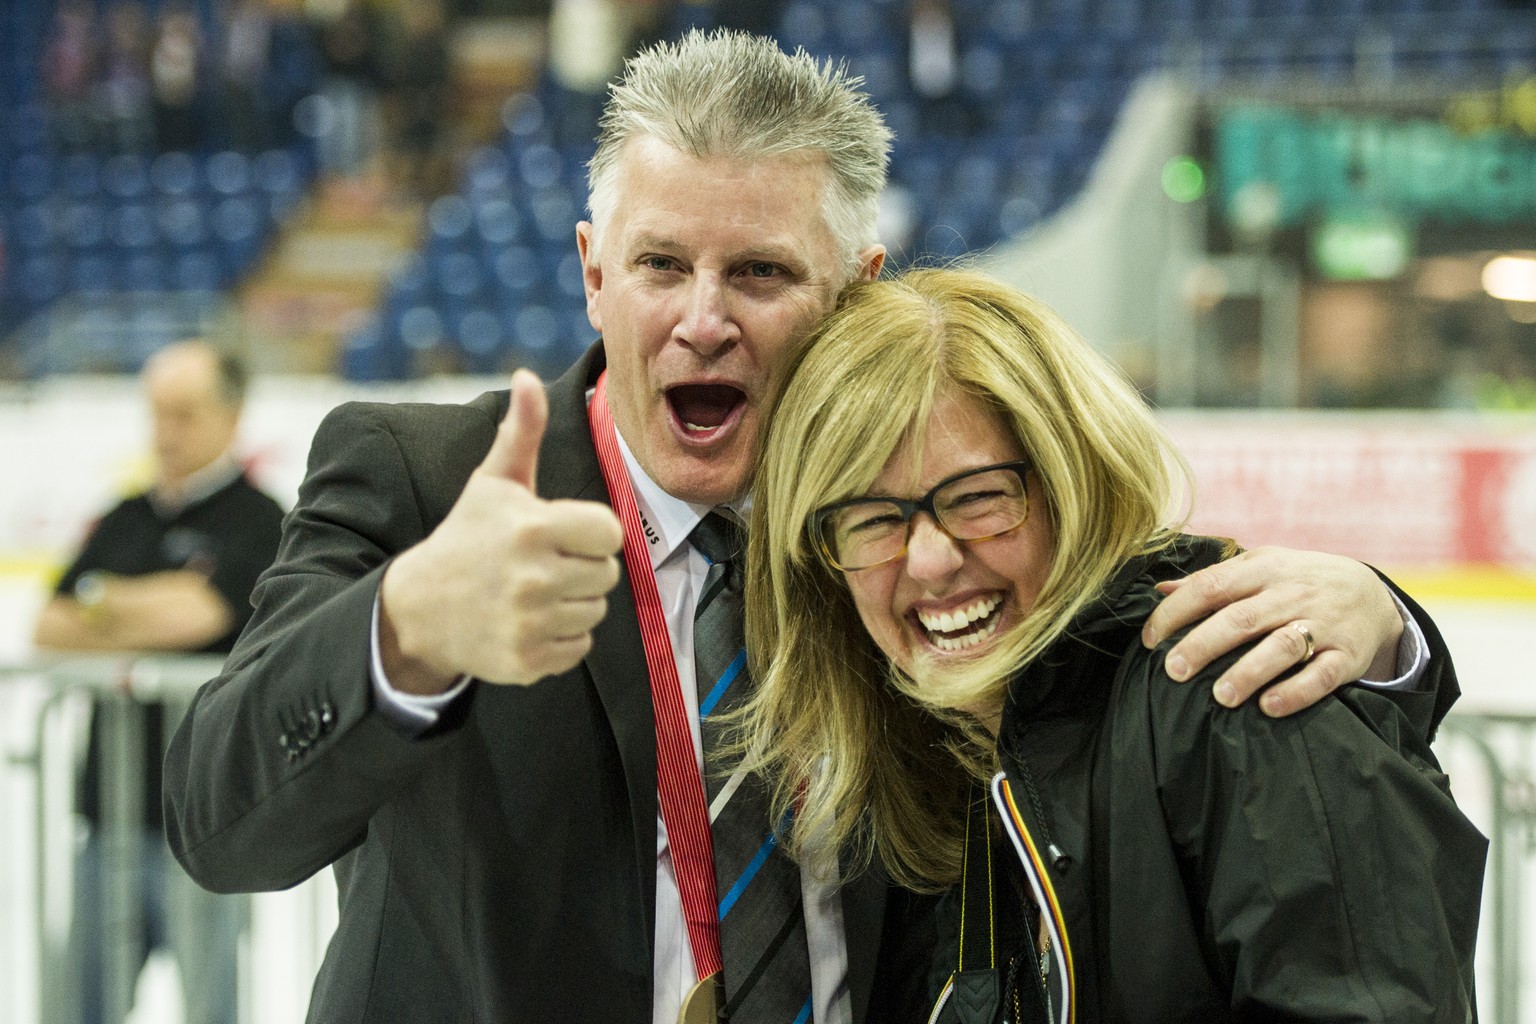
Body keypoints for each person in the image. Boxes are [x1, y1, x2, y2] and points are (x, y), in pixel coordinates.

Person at [164, 30, 1444, 1024]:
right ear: (592, 268)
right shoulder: (423, 478)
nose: (705, 318)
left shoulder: (900, 550)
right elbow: (222, 823)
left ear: (856, 291)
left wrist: (1390, 634)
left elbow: (1121, 683)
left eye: (763, 273)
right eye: (662, 264)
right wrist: (407, 630)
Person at [741, 267, 1484, 1023]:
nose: (928, 560)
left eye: (979, 499)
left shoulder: (1244, 699)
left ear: (1074, 481)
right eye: (872, 518)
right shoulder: (937, 763)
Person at [34, 340, 284, 1024]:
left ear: (232, 417)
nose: (164, 432)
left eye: (183, 414)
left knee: (210, 1009)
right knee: (75, 1007)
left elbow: (201, 613)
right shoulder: (125, 514)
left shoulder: (260, 520)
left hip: (203, 822)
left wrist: (104, 600)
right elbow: (49, 624)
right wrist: (134, 602)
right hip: (106, 816)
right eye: (156, 413)